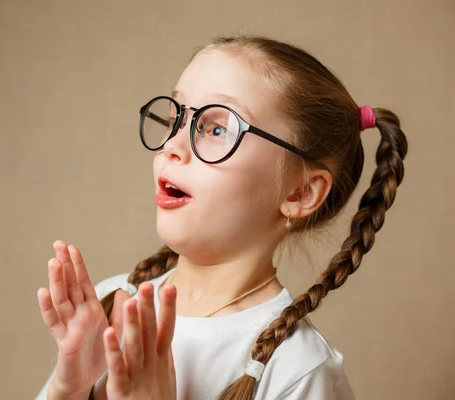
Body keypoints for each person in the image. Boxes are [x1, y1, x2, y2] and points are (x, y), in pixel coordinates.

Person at [35, 35, 408, 400]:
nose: (172, 147)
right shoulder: (113, 303)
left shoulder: (298, 371)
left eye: (216, 129)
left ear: (299, 193)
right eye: (174, 119)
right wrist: (68, 389)